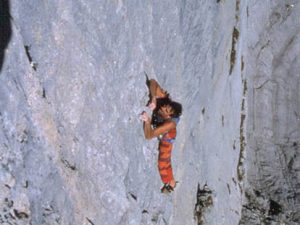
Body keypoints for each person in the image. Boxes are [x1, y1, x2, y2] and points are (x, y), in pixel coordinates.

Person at [141, 79, 182, 193]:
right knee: (165, 161)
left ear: (169, 116)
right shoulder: (165, 101)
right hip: (163, 126)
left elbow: (149, 136)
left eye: (166, 110)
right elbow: (153, 82)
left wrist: (147, 121)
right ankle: (171, 181)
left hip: (168, 136)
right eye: (166, 106)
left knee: (164, 161)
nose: (163, 108)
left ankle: (170, 183)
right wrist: (154, 97)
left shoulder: (169, 124)